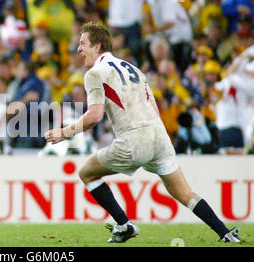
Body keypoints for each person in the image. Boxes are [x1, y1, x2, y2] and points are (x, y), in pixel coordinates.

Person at [44, 22, 241, 243]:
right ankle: (225, 233)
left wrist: (64, 132)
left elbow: (94, 115)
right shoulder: (134, 70)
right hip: (158, 135)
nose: (79, 49)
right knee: (184, 192)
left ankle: (123, 224)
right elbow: (154, 109)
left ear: (97, 45)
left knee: (87, 173)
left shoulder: (95, 73)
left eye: (83, 43)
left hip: (134, 139)